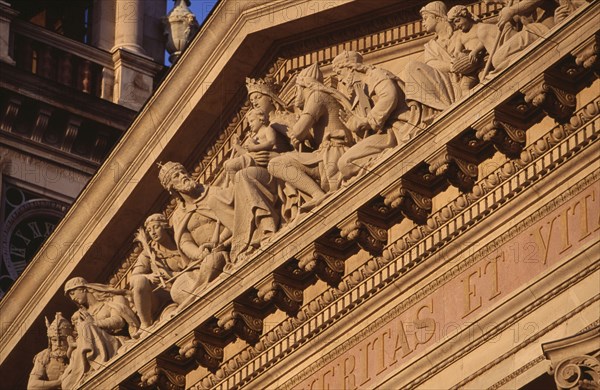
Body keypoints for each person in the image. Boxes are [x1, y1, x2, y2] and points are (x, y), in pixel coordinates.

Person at [267, 63, 353, 211]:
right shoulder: (320, 95)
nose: (296, 94)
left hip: (333, 154)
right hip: (325, 155)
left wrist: (282, 122)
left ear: (303, 85)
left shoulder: (317, 96)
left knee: (276, 164)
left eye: (297, 89)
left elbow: (298, 131)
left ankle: (317, 194)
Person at [61, 277, 140, 389]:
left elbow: (119, 321)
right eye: (70, 296)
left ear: (83, 289)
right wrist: (72, 346)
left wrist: (94, 323)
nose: (73, 298)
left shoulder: (112, 300)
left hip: (116, 342)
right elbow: (84, 339)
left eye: (73, 293)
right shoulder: (83, 314)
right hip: (95, 347)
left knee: (86, 326)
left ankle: (95, 365)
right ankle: (83, 372)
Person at [130, 213, 200, 328]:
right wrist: (149, 276)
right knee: (139, 282)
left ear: (165, 226)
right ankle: (145, 324)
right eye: (149, 230)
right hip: (166, 294)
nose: (152, 232)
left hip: (191, 280)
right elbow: (133, 278)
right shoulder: (149, 253)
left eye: (156, 227)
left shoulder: (180, 239)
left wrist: (171, 274)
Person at [402, 1, 462, 111]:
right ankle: (439, 107)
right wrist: (452, 66)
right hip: (442, 80)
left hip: (461, 78)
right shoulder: (430, 45)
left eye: (425, 18)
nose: (423, 23)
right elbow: (431, 63)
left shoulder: (459, 34)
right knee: (412, 67)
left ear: (437, 17)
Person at [224, 108, 288, 183]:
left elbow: (271, 142)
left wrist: (254, 147)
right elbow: (247, 153)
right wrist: (237, 146)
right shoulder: (254, 137)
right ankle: (237, 187)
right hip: (253, 157)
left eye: (252, 121)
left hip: (260, 158)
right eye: (249, 123)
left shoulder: (268, 129)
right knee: (227, 164)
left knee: (231, 165)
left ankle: (237, 187)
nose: (250, 124)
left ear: (261, 119)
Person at [447, 5, 499, 93]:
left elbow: (485, 40)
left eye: (457, 21)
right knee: (464, 87)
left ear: (465, 15)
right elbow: (457, 51)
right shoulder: (460, 35)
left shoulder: (480, 27)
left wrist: (475, 51)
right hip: (469, 67)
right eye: (454, 24)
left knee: (484, 79)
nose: (457, 25)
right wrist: (459, 56)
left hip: (483, 61)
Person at [28, 313, 74, 389]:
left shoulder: (75, 351)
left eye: (62, 339)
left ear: (69, 339)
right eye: (54, 340)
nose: (58, 344)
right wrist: (59, 382)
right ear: (50, 341)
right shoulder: (44, 356)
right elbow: (32, 385)